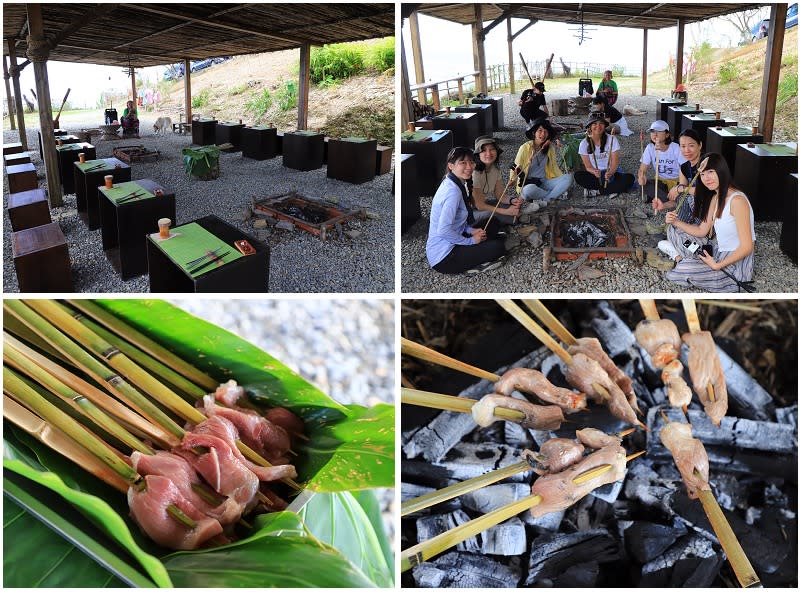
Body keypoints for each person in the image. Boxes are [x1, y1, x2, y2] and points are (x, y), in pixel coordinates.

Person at [665, 153, 755, 292]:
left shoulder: (737, 201)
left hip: (734, 265)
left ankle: (679, 258)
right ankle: (692, 258)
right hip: (717, 250)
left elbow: (747, 247)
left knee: (685, 268)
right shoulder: (715, 198)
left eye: (711, 172)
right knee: (673, 229)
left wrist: (717, 266)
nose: (706, 178)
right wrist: (675, 221)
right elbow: (702, 231)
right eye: (703, 174)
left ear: (721, 171)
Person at [426, 146, 507, 274]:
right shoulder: (452, 192)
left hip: (455, 236)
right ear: (451, 166)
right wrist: (470, 241)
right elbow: (443, 230)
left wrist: (471, 230)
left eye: (471, 162)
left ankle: (482, 245)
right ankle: (474, 263)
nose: (469, 167)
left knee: (493, 222)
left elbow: (456, 223)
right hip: (445, 257)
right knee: (498, 247)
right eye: (463, 163)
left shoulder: (452, 181)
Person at [652, 129, 706, 260]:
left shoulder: (706, 164)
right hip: (691, 217)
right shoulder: (684, 167)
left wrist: (681, 188)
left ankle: (679, 255)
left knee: (674, 230)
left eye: (691, 145)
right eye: (683, 146)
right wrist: (663, 206)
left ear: (700, 145)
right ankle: (683, 251)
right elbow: (680, 199)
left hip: (707, 216)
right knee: (672, 228)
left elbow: (706, 192)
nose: (687, 150)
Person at [574, 112, 634, 198]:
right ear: (589, 127)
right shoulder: (583, 144)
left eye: (601, 123)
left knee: (629, 178)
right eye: (594, 124)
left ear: (605, 126)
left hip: (611, 173)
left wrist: (610, 172)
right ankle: (612, 189)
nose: (598, 126)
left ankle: (596, 192)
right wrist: (594, 171)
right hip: (596, 175)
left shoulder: (612, 139)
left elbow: (615, 163)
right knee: (578, 176)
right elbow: (588, 167)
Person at [513, 119, 573, 202]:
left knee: (568, 177)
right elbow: (515, 167)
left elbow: (554, 167)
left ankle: (546, 199)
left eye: (545, 131)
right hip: (529, 183)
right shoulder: (524, 148)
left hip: (544, 181)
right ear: (534, 133)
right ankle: (553, 195)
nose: (543, 134)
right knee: (529, 190)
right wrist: (512, 180)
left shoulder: (550, 148)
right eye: (540, 131)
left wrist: (561, 179)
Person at [471, 136, 523, 225]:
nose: (489, 153)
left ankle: (507, 219)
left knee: (514, 205)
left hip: (483, 205)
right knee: (490, 214)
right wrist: (506, 212)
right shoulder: (474, 172)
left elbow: (500, 196)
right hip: (469, 211)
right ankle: (509, 219)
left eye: (492, 149)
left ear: (496, 152)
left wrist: (512, 201)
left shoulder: (495, 170)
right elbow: (479, 205)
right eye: (483, 150)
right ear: (478, 154)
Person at [638, 120, 684, 202]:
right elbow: (643, 168)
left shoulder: (676, 148)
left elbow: (684, 168)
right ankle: (671, 200)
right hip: (660, 181)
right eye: (652, 131)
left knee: (684, 190)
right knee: (642, 185)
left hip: (677, 181)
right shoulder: (650, 147)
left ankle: (665, 198)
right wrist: (642, 176)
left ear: (667, 134)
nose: (655, 134)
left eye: (659, 131)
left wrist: (680, 187)